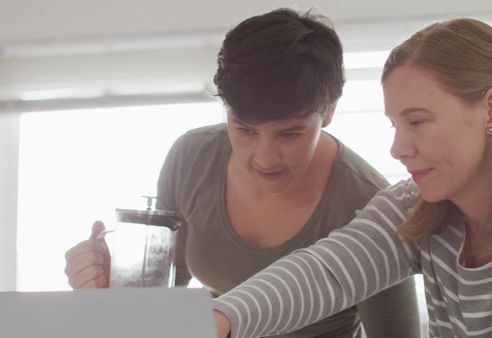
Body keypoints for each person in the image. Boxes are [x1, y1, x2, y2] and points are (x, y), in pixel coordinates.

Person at [210, 18, 492, 338]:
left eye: (418, 122)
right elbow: (328, 272)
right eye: (395, 125)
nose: (398, 148)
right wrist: (218, 319)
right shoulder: (423, 203)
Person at [63, 8, 422, 338]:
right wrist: (114, 285)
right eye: (245, 129)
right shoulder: (191, 159)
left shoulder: (369, 201)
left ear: (327, 111)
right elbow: (156, 308)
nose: (265, 158)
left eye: (290, 133)